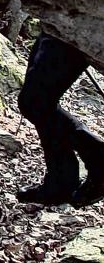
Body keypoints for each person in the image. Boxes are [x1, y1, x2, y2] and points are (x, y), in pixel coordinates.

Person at [17, 31, 104, 207]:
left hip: (79, 27)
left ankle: (96, 158)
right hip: (60, 25)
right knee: (39, 102)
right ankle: (61, 180)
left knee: (35, 101)